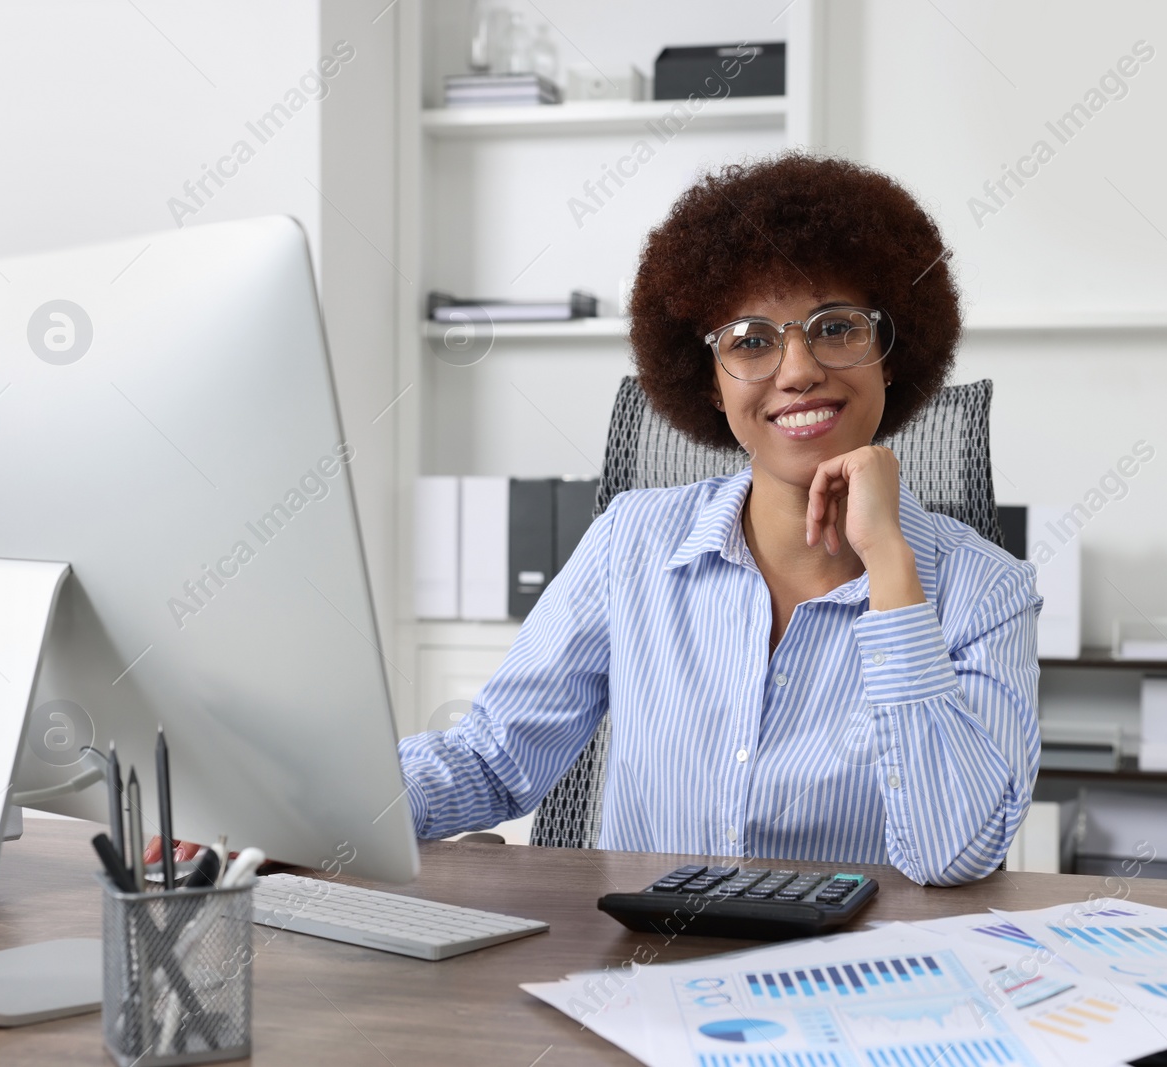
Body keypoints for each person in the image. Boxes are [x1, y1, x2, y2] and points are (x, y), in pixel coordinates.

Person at [395, 153, 1043, 887]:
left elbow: (951, 852)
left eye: (835, 328)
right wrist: (306, 800)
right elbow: (492, 758)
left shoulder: (986, 590)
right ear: (709, 379)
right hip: (644, 978)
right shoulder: (630, 542)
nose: (797, 370)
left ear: (889, 357)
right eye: (751, 340)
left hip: (857, 988)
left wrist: (891, 567)